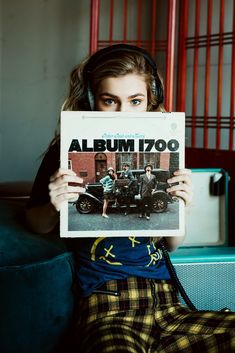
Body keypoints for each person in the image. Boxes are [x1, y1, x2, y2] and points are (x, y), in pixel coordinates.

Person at [26, 44, 235, 352]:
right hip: (109, 307)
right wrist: (54, 204)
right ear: (91, 100)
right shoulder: (64, 152)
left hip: (166, 302)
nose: (123, 113)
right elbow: (36, 224)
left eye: (135, 101)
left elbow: (172, 245)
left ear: (150, 103)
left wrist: (181, 207)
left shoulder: (162, 150)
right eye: (110, 101)